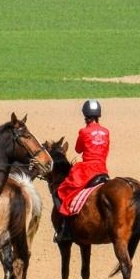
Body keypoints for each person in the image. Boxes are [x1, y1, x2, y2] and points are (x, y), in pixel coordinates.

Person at [55, 99, 111, 242]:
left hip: (88, 169)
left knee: (63, 190)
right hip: (103, 169)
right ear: (98, 115)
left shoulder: (84, 131)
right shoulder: (106, 132)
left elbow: (78, 149)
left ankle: (65, 229)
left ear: (85, 115)